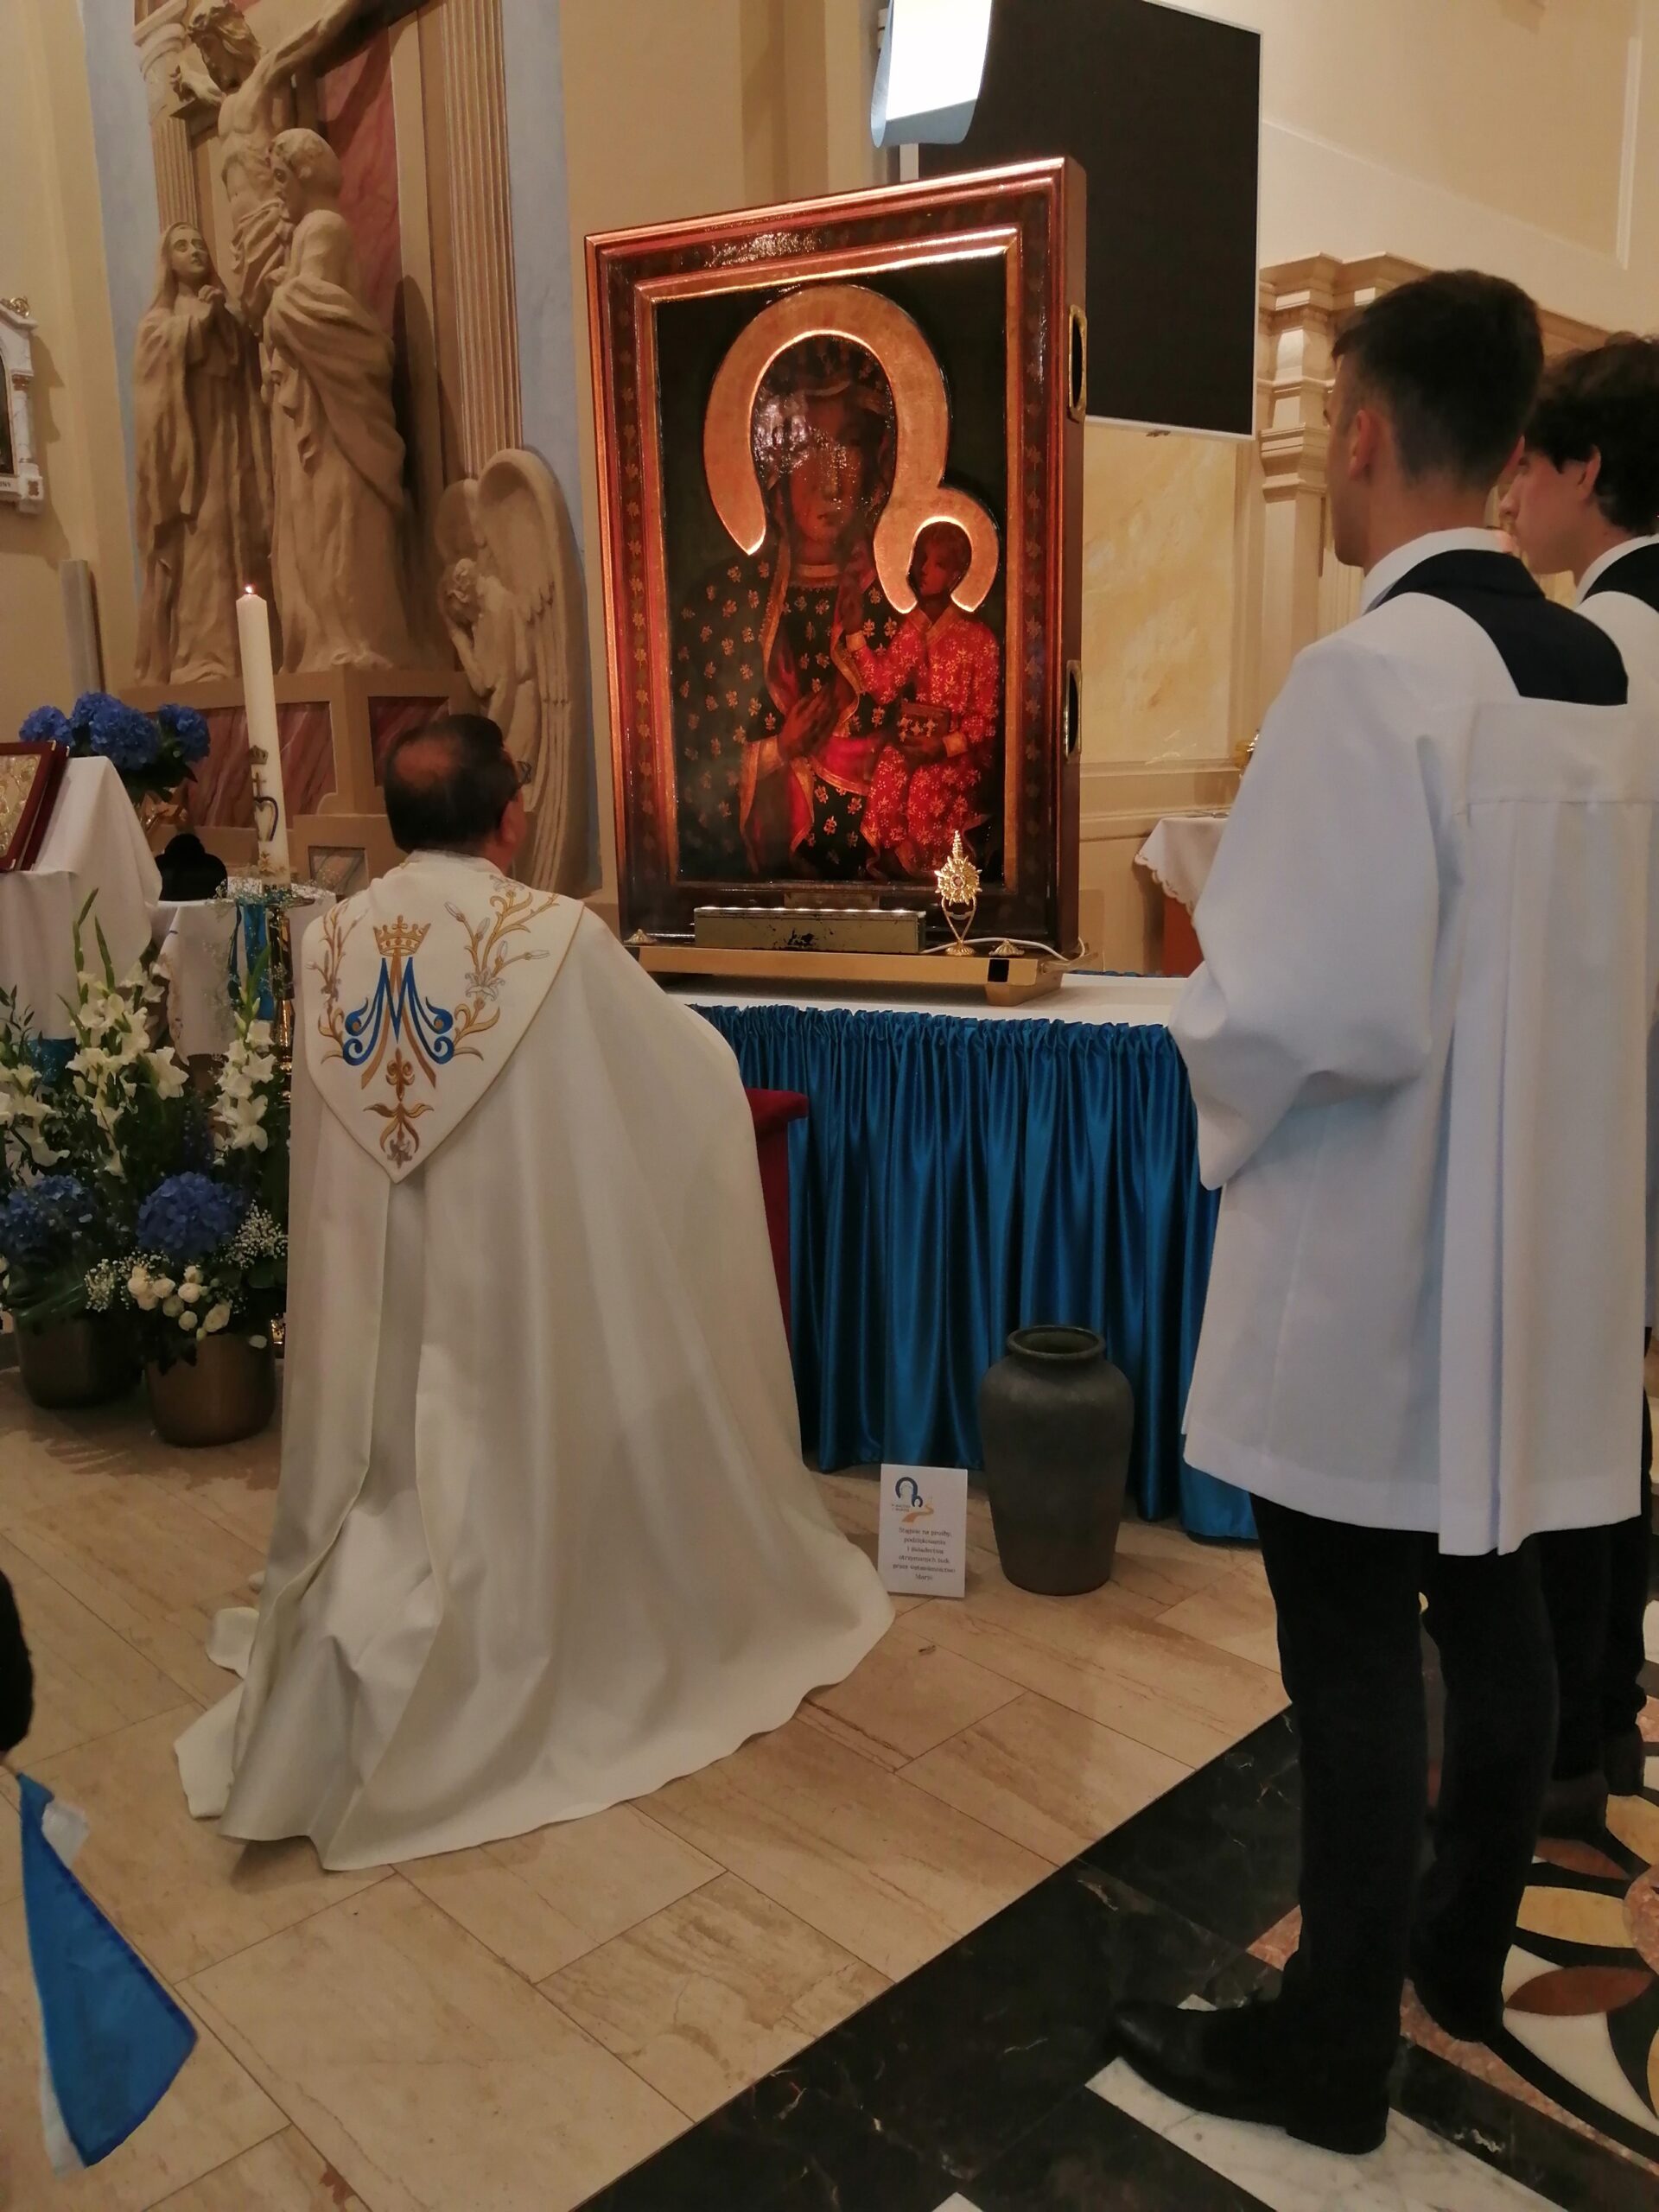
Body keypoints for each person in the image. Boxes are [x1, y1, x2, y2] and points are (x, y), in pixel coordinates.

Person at [1110, 272, 1659, 2155]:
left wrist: (1207, 1016)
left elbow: (1305, 1005)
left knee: (1346, 1640)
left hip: (1376, 1252)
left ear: (1358, 431)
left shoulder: (1374, 676)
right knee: (1497, 1598)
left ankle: (1332, 2047)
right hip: (1533, 1244)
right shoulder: (1594, 669)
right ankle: (1460, 1947)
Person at [175, 715, 890, 1869]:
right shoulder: (552, 937)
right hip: (513, 1288)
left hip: (380, 1301)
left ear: (401, 823)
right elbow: (681, 1071)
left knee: (396, 1461)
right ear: (511, 817)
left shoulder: (331, 938)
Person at [1502, 334, 1659, 1830]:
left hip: (1609, 1072)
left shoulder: (1598, 654)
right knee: (1619, 1399)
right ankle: (1607, 1714)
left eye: (1527, 468)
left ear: (1586, 469)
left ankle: (1558, 1739)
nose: (1512, 499)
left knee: (1572, 1403)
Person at [672, 338, 903, 880]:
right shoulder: (720, 607)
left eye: (847, 446)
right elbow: (692, 779)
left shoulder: (895, 603)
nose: (831, 480)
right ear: (773, 464)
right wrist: (779, 749)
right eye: (808, 449)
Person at [263, 128, 414, 671]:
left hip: (334, 411)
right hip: (315, 401)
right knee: (315, 523)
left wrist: (280, 299)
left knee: (337, 521)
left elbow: (318, 307)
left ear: (304, 175)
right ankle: (328, 639)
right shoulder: (306, 232)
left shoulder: (323, 226)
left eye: (280, 178)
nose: (276, 191)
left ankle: (350, 637)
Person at [133, 223, 272, 684]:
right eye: (182, 245)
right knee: (203, 541)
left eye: (199, 244)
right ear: (167, 263)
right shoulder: (159, 322)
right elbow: (153, 383)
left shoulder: (220, 311)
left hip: (231, 445)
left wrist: (226, 321)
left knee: (241, 537)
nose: (194, 251)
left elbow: (245, 364)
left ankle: (248, 653)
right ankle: (203, 655)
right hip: (192, 458)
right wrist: (199, 323)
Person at [844, 521, 1001, 878]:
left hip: (959, 757)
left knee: (923, 787)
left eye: (939, 563)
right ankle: (895, 871)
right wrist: (855, 633)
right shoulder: (914, 628)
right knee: (889, 767)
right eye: (921, 559)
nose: (925, 570)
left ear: (957, 574)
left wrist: (943, 747)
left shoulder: (979, 639)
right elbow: (885, 687)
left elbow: (985, 719)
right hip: (919, 743)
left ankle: (927, 881)